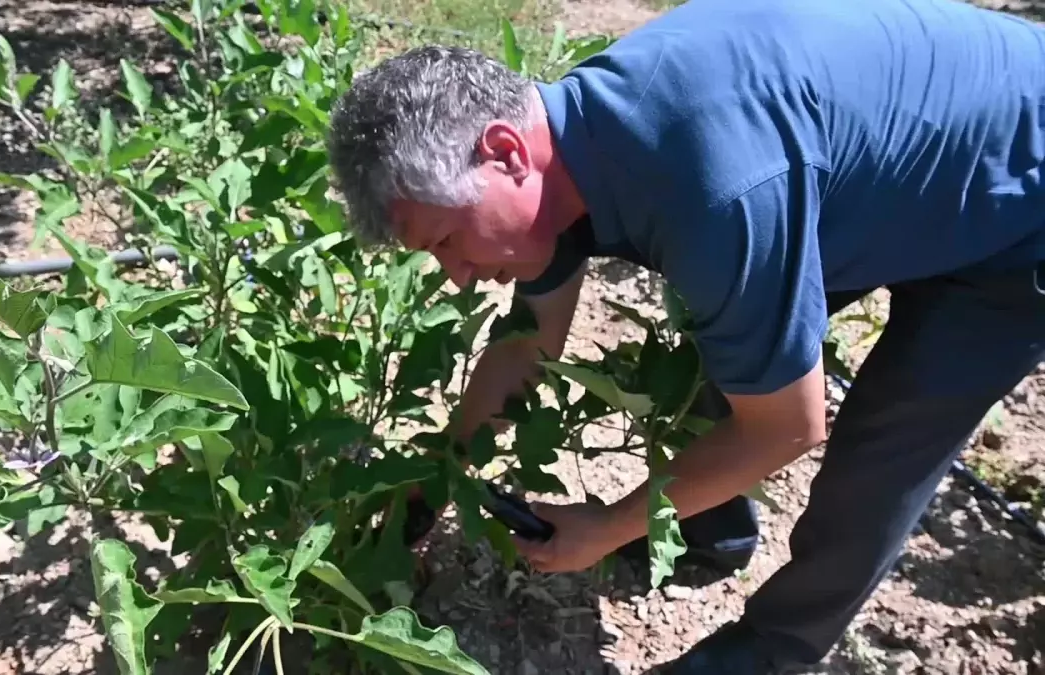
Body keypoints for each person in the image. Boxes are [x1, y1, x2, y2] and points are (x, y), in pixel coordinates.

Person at [324, 0, 1045, 671]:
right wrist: (436, 475)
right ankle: (714, 533)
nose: (455, 275)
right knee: (730, 341)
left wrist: (607, 526)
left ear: (507, 151)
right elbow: (528, 341)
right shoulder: (577, 144)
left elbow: (787, 429)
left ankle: (767, 648)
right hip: (890, 172)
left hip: (1018, 203)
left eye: (448, 239)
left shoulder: (711, 186)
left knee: (880, 453)